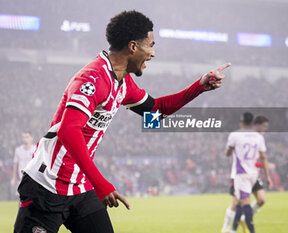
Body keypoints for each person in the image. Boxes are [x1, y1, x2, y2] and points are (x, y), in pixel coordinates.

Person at [14, 10, 230, 233]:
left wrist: (199, 87)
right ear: (133, 47)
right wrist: (101, 183)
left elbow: (156, 111)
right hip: (46, 186)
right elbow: (69, 131)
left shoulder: (123, 83)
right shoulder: (93, 78)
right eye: (151, 45)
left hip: (80, 185)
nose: (153, 53)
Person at [221, 114, 271, 233]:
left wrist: (267, 175)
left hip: (253, 175)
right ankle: (227, 228)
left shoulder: (240, 136)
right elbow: (262, 157)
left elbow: (228, 153)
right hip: (239, 174)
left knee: (261, 200)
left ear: (241, 121)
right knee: (236, 202)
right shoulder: (255, 137)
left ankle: (243, 219)